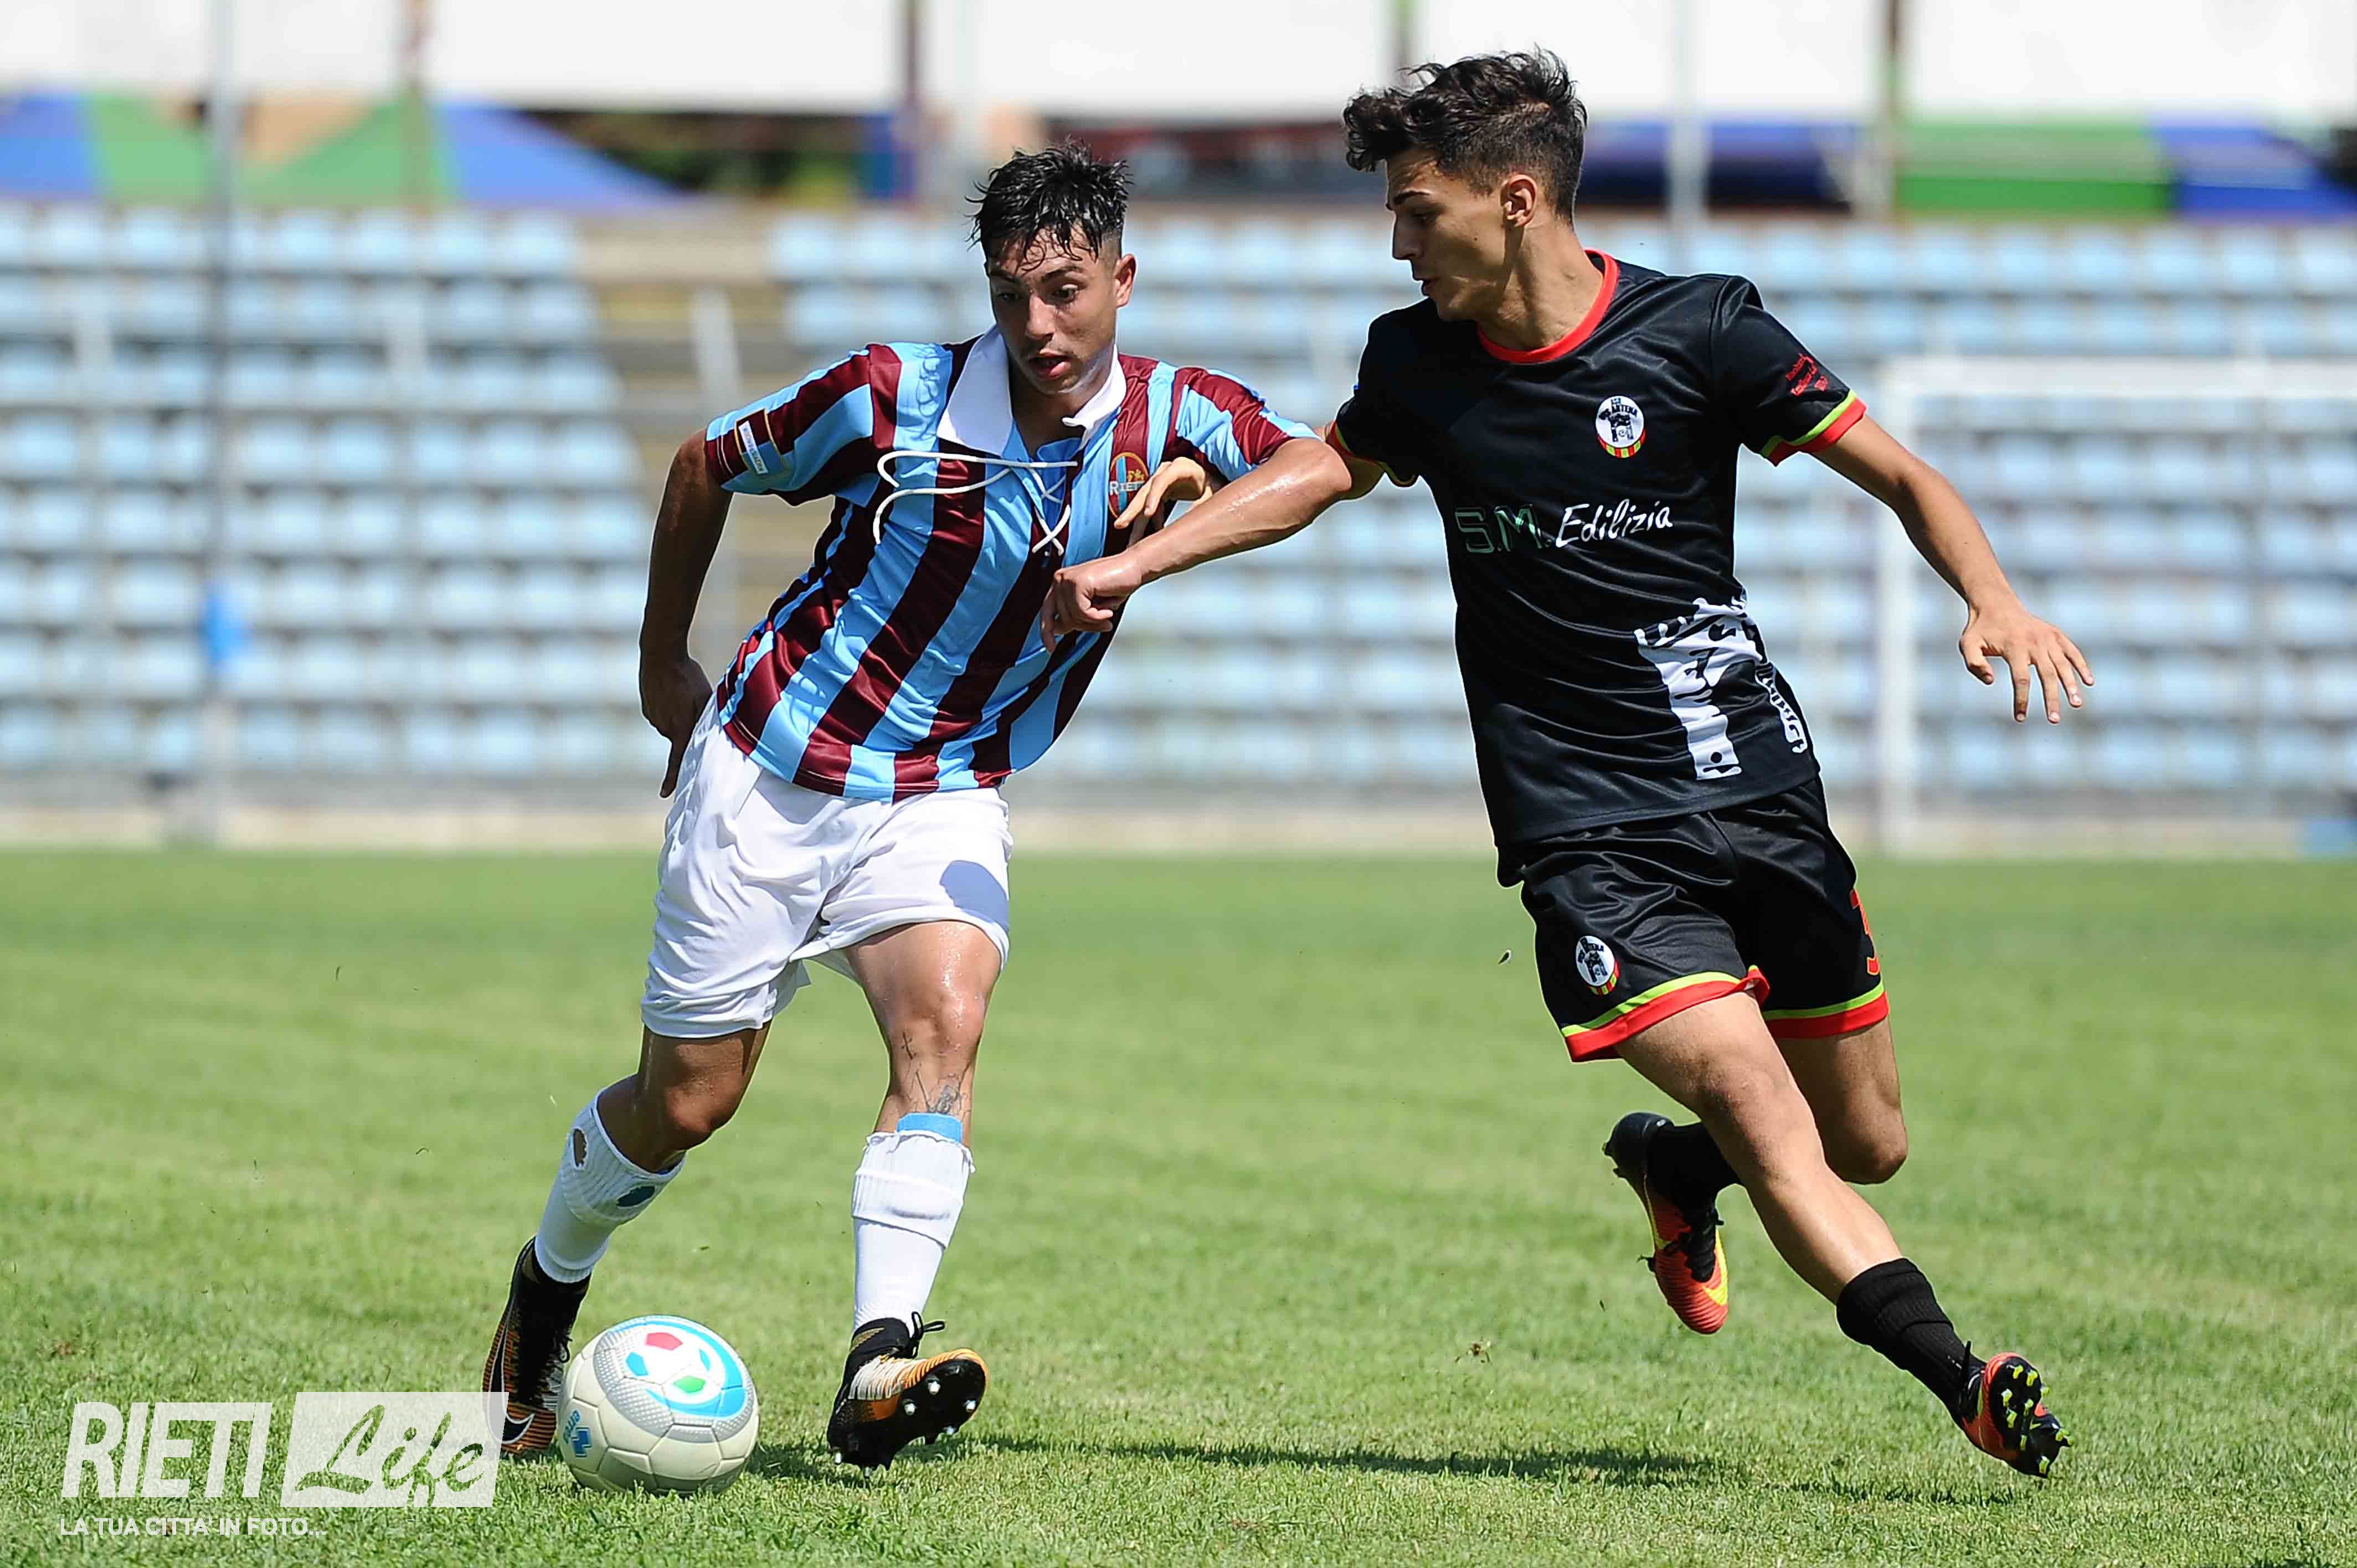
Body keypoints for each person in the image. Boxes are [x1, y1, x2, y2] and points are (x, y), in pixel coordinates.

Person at [1043, 51, 2090, 1478]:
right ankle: (1965, 1381)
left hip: (1758, 792)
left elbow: (1904, 475)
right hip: (1588, 833)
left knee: (1866, 1140)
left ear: (1517, 201)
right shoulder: (1416, 361)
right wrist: (1145, 557)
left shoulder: (1703, 331)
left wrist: (1993, 597)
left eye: (1418, 212)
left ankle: (1670, 1167)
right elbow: (1322, 470)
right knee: (1764, 1109)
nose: (1398, 245)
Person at [482, 142, 1351, 1471]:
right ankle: (539, 1303)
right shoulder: (892, 396)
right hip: (770, 771)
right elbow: (706, 462)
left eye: (1065, 292)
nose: (1038, 325)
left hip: (941, 788)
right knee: (687, 1105)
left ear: (1123, 279)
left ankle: (875, 1363)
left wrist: (1160, 541)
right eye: (1011, 296)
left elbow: (1318, 469)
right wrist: (662, 663)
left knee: (944, 1028)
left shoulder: (1175, 415)